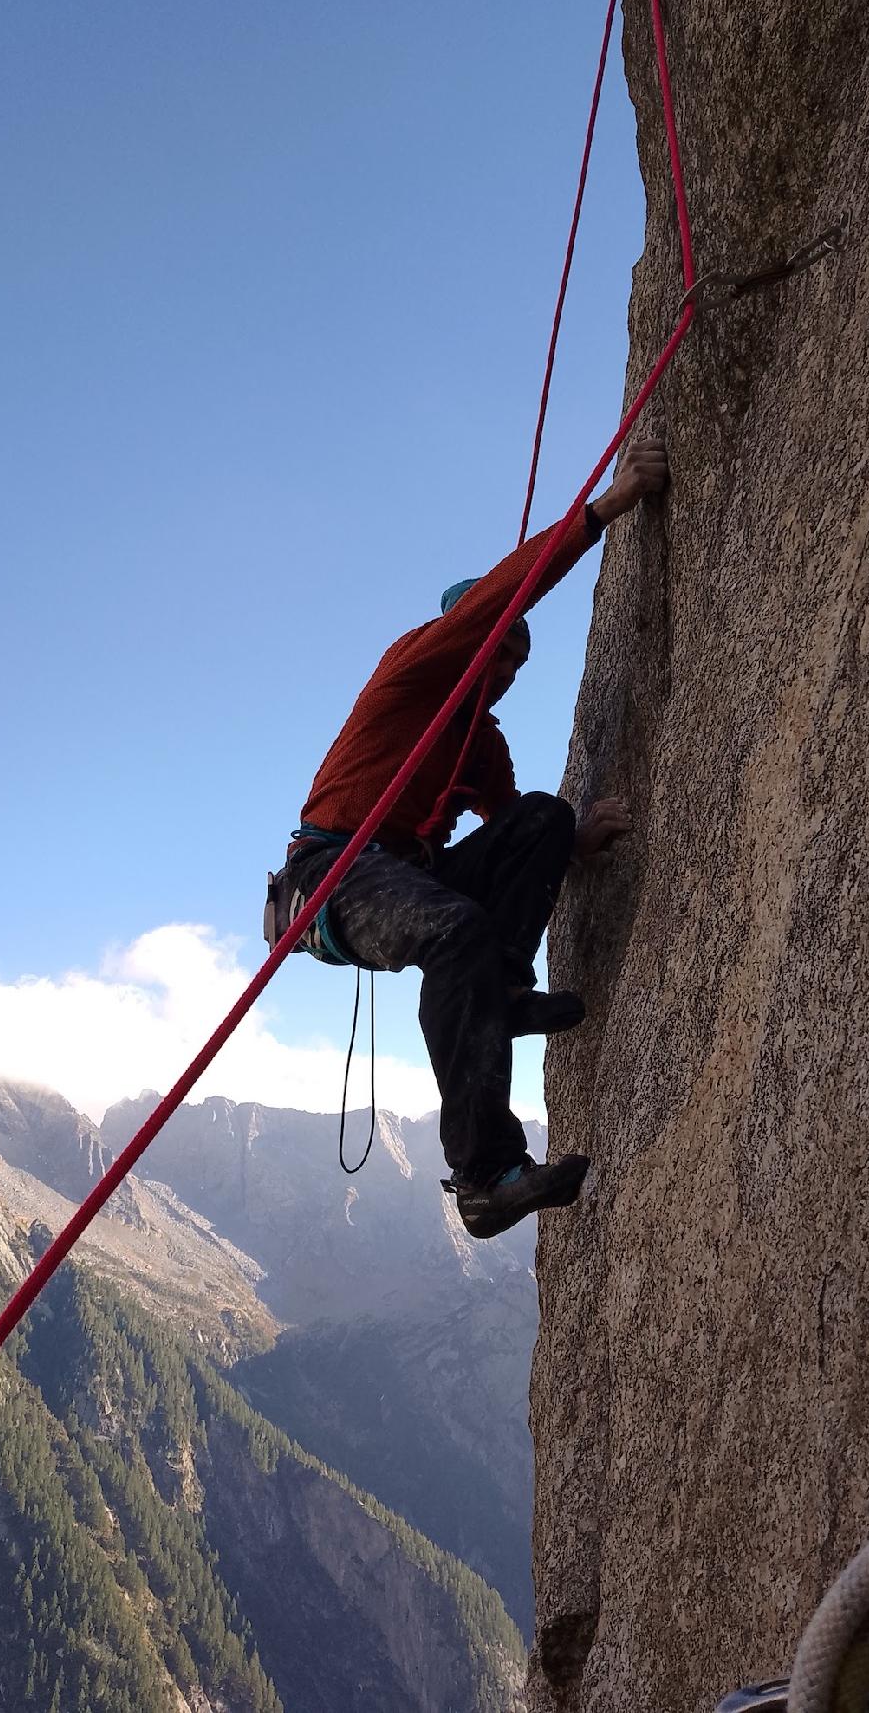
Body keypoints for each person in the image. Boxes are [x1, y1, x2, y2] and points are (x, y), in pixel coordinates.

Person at [267, 438, 669, 1238]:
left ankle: (505, 992)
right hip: (332, 873)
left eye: (518, 663)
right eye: (500, 653)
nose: (508, 672)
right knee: (457, 932)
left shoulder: (479, 744)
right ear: (464, 639)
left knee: (544, 818)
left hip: (400, 873)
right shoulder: (412, 669)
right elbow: (502, 594)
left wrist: (569, 839)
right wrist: (604, 508)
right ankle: (485, 1175)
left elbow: (513, 824)